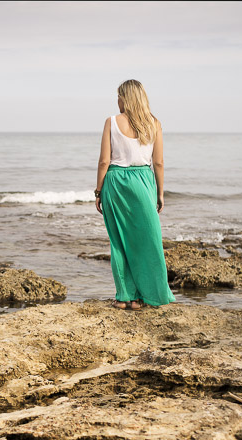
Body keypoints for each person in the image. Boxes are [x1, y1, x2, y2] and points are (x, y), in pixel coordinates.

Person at [94, 79, 176, 310]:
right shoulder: (154, 123)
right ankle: (149, 295)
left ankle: (125, 296)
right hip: (143, 182)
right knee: (147, 241)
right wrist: (160, 193)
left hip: (116, 181)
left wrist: (98, 191)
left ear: (125, 98)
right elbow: (158, 163)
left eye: (119, 96)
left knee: (119, 241)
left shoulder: (111, 122)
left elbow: (103, 161)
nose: (117, 101)